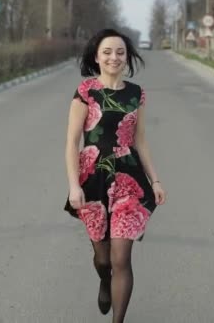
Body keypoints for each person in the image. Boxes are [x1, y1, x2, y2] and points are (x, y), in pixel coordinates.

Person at [64, 28, 167, 322]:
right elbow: (72, 143)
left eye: (120, 52)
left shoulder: (137, 94)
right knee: (104, 258)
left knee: (122, 257)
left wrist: (155, 180)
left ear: (127, 57)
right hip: (92, 178)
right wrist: (73, 186)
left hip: (130, 180)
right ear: (96, 57)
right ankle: (104, 279)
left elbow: (140, 140)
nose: (114, 57)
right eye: (107, 52)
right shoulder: (86, 92)